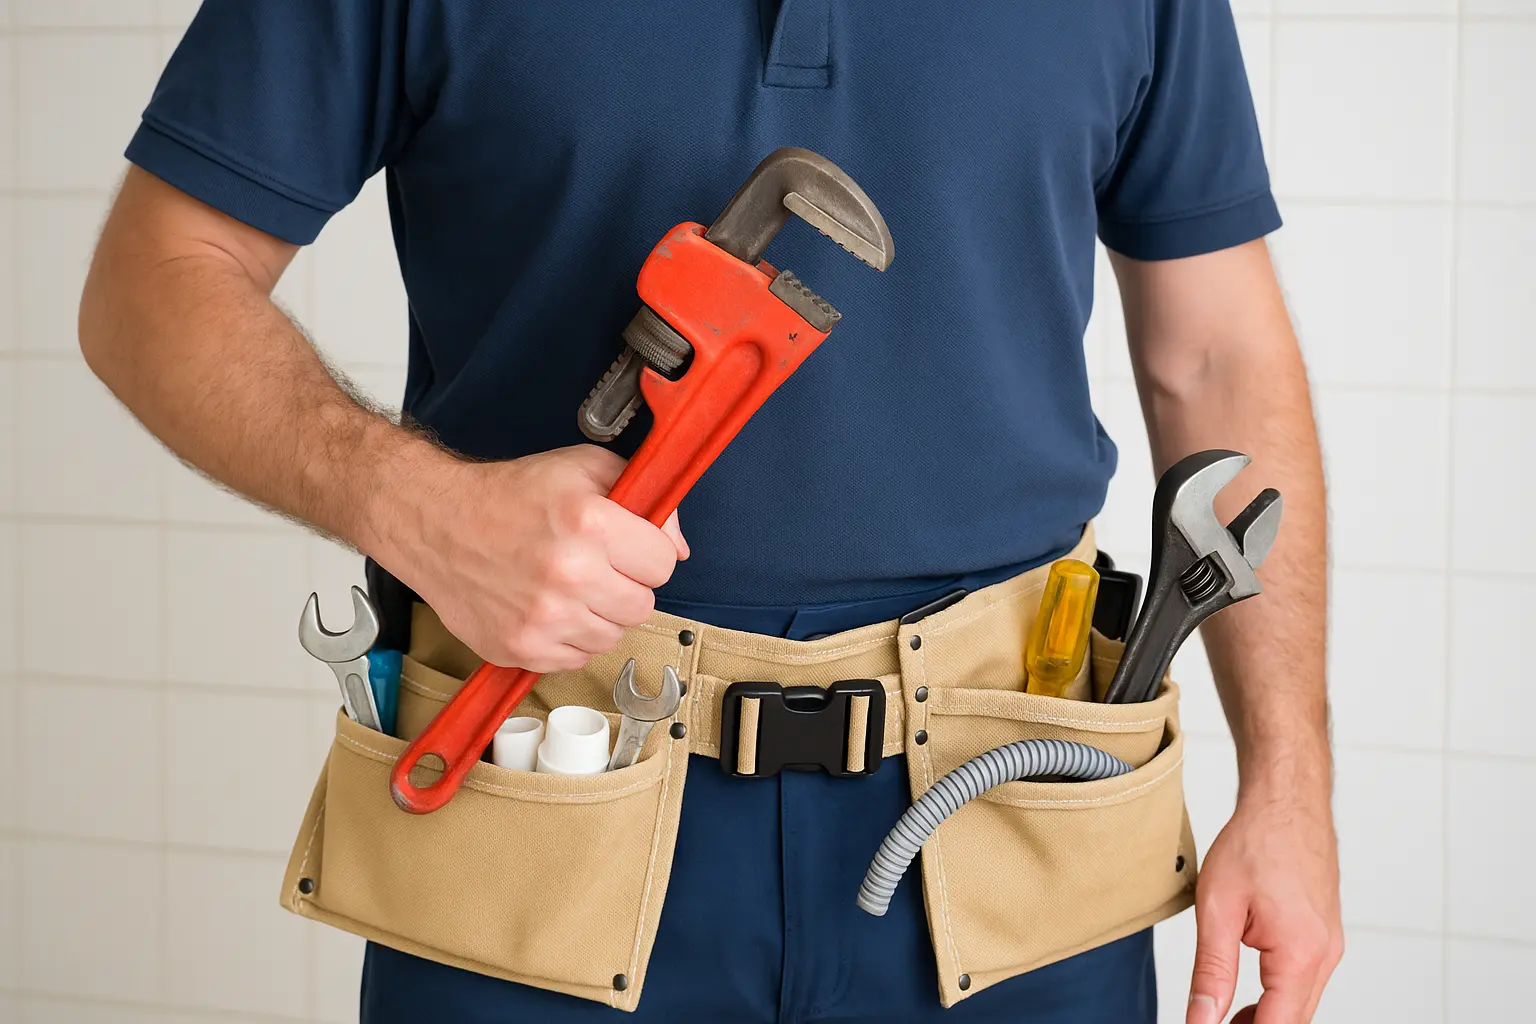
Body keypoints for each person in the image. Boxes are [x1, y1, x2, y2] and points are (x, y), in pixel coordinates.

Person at [80, 1, 1342, 1021]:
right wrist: (419, 505)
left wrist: (1290, 782)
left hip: (1010, 823)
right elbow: (154, 285)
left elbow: (1216, 359)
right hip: (547, 802)